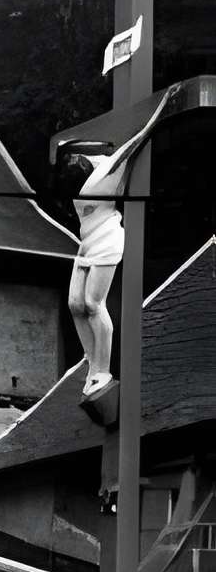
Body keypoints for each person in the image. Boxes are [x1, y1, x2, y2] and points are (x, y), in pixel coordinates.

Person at [61, 92, 173, 413]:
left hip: (107, 240)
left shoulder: (104, 173)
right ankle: (90, 358)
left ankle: (101, 370)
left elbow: (137, 141)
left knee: (94, 305)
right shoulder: (81, 185)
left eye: (77, 160)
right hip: (87, 242)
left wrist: (163, 107)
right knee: (74, 303)